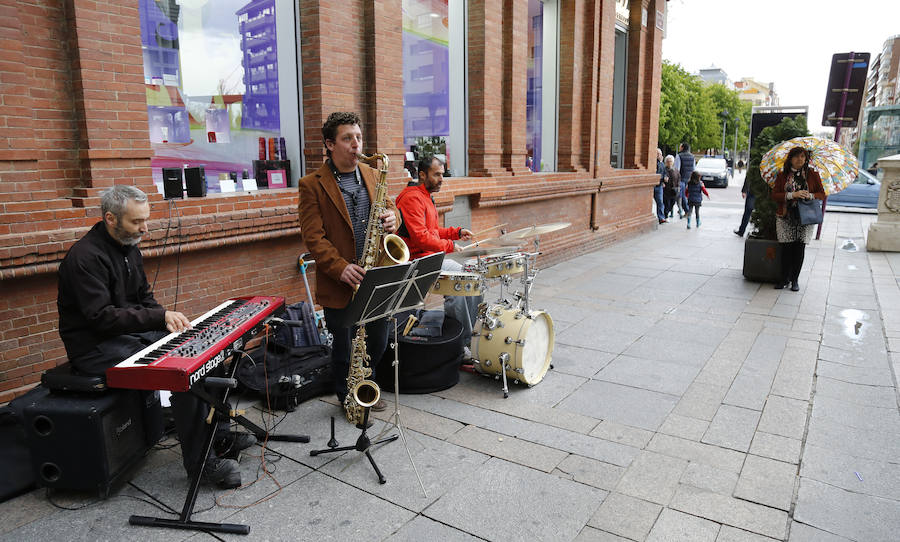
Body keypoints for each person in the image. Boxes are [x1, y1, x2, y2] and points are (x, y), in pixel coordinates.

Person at [57, 185, 254, 489]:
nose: (145, 228)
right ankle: (201, 464)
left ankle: (221, 437)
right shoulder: (84, 258)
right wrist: (158, 318)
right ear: (110, 218)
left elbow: (144, 300)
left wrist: (168, 320)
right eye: (137, 222)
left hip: (128, 336)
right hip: (96, 349)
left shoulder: (128, 248)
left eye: (146, 220)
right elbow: (102, 318)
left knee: (206, 353)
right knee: (182, 372)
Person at [298, 112, 401, 413]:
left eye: (358, 137)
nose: (356, 144)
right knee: (344, 348)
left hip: (375, 272)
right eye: (347, 138)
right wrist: (340, 267)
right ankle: (348, 396)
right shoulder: (311, 185)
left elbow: (391, 206)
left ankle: (365, 384)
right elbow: (313, 238)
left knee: (378, 340)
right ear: (330, 144)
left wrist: (395, 218)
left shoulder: (372, 173)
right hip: (341, 279)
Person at [395, 154, 479, 340]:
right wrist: (450, 245)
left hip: (429, 258)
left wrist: (456, 232)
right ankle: (457, 340)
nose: (442, 179)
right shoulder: (412, 198)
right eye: (437, 175)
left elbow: (432, 231)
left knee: (472, 277)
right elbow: (421, 238)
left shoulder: (426, 196)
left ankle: (469, 334)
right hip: (417, 263)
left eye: (443, 174)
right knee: (457, 286)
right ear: (422, 175)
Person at [771, 146, 825, 291]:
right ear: (790, 159)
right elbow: (774, 195)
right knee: (786, 249)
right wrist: (791, 195)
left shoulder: (812, 174)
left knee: (799, 249)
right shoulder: (783, 175)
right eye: (796, 157)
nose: (799, 159)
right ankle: (784, 279)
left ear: (806, 159)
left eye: (802, 157)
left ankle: (795, 280)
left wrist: (810, 195)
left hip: (805, 217)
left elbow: (822, 194)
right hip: (786, 216)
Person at [734, 169, 755, 237]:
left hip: (756, 193)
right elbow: (748, 178)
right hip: (752, 193)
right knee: (747, 212)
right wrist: (744, 191)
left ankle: (741, 231)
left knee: (748, 212)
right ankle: (741, 231)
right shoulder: (754, 166)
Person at [677, 143, 695, 217]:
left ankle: (686, 210)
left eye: (680, 146)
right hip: (689, 178)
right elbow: (694, 168)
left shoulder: (679, 156)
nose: (679, 148)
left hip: (681, 178)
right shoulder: (692, 156)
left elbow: (677, 168)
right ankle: (687, 209)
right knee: (688, 195)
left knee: (682, 195)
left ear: (682, 147)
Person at [662, 155, 681, 220]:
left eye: (670, 161)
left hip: (674, 190)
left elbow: (679, 178)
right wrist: (663, 181)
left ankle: (668, 212)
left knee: (672, 202)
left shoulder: (676, 170)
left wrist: (678, 186)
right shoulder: (664, 170)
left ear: (673, 162)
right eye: (668, 161)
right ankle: (665, 215)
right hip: (666, 190)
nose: (669, 163)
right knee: (666, 203)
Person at [654, 148, 666, 224]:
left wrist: (665, 178)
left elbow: (664, 173)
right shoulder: (653, 163)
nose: (659, 155)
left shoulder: (662, 164)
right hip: (653, 185)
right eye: (657, 154)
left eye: (660, 154)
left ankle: (661, 217)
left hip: (659, 185)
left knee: (660, 202)